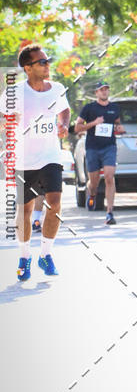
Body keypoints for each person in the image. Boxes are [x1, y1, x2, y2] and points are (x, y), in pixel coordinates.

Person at [0, 44, 70, 280]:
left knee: (55, 203)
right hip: (23, 159)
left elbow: (65, 109)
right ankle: (24, 256)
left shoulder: (57, 88)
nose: (47, 64)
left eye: (47, 60)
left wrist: (63, 124)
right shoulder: (15, 92)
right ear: (27, 68)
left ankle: (46, 254)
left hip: (50, 157)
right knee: (25, 210)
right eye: (42, 62)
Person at [74, 82, 124, 225]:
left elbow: (117, 123)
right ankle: (93, 194)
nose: (104, 92)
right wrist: (94, 123)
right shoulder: (89, 108)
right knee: (94, 182)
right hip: (92, 148)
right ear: (96, 93)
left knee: (109, 177)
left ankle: (109, 213)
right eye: (101, 90)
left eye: (106, 90)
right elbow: (77, 127)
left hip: (109, 147)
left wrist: (119, 128)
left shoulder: (114, 108)